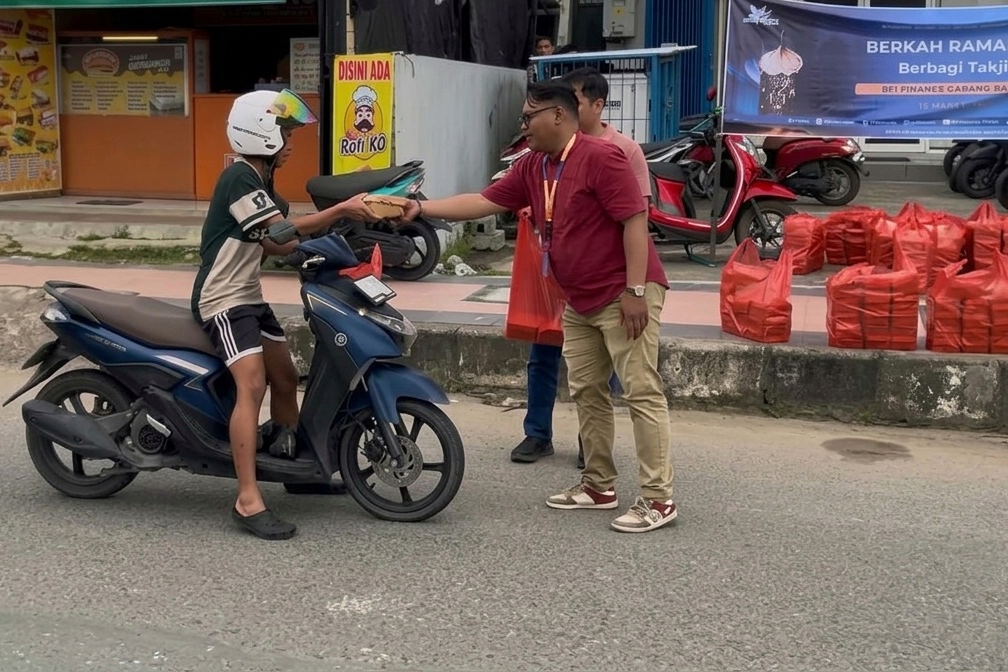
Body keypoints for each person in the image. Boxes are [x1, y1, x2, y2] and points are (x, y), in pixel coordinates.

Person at [404, 80, 677, 533]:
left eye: (529, 116)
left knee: (640, 391)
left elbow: (635, 220)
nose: (523, 126)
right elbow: (483, 200)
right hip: (579, 297)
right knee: (587, 390)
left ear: (558, 115)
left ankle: (658, 498)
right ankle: (599, 486)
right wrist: (421, 208)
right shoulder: (534, 165)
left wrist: (635, 292)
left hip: (623, 292)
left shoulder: (602, 157)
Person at [192, 89, 378, 540]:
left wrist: (326, 245)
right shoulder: (238, 177)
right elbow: (276, 232)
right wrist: (339, 208)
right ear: (259, 133)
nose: (291, 142)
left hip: (248, 296)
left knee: (286, 374)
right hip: (222, 299)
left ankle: (293, 463)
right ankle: (247, 498)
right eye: (285, 133)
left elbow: (277, 244)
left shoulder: (262, 184)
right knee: (252, 384)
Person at [511, 67, 651, 468]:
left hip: (606, 281)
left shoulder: (617, 152)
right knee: (545, 352)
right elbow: (494, 197)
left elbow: (636, 217)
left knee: (612, 375)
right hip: (557, 273)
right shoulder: (541, 158)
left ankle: (597, 450)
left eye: (574, 99)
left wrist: (635, 289)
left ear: (593, 105)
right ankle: (538, 435)